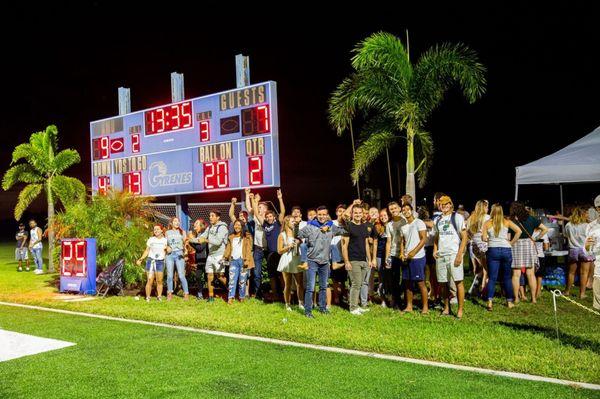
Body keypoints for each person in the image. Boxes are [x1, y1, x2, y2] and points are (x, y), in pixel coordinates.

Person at [297, 206, 346, 318]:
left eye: (324, 215)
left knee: (324, 286)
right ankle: (308, 311)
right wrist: (300, 241)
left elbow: (344, 230)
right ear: (316, 215)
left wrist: (345, 220)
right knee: (311, 287)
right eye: (320, 215)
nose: (322, 217)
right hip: (312, 261)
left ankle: (322, 308)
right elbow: (299, 235)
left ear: (327, 215)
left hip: (324, 262)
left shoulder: (331, 227)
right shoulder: (310, 227)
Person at [433, 196, 468, 319]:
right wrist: (435, 249)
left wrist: (459, 254)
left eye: (446, 204)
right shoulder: (437, 219)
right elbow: (437, 236)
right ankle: (446, 308)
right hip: (441, 255)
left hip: (453, 254)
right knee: (443, 283)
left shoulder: (457, 217)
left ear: (451, 205)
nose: (444, 206)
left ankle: (460, 310)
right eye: (442, 204)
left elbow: (464, 237)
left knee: (458, 281)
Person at [482, 204, 521, 310]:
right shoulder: (507, 222)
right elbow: (519, 231)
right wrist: (511, 242)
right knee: (507, 277)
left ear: (492, 211)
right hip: (506, 249)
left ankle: (489, 302)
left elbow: (484, 238)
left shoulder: (487, 223)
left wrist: (489, 238)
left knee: (492, 278)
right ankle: (509, 302)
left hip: (493, 250)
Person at [509, 202, 548, 304]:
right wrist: (536, 238)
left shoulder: (512, 220)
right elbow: (545, 229)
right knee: (530, 274)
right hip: (529, 244)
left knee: (516, 274)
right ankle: (533, 299)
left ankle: (517, 298)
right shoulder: (531, 218)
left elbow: (509, 237)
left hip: (516, 245)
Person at [342, 203, 376, 315]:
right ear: (352, 214)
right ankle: (353, 308)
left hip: (363, 259)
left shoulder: (364, 227)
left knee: (360, 283)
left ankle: (356, 305)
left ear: (363, 214)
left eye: (359, 213)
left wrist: (369, 259)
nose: (357, 215)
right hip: (353, 259)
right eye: (355, 213)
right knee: (356, 284)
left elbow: (366, 244)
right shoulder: (348, 226)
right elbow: (344, 246)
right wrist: (346, 261)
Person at [251, 189, 285, 300]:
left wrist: (280, 199)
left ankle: (285, 296)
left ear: (274, 217)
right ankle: (275, 297)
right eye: (267, 216)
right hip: (270, 253)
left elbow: (283, 212)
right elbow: (256, 212)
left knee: (281, 275)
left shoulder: (278, 223)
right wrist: (255, 201)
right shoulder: (264, 224)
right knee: (272, 276)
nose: (269, 218)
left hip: (279, 252)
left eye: (271, 216)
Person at [400, 203, 429, 314]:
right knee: (407, 282)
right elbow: (403, 242)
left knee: (420, 282)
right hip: (407, 258)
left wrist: (413, 252)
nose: (406, 211)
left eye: (408, 209)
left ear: (412, 211)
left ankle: (425, 308)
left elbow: (423, 239)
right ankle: (409, 306)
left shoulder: (419, 222)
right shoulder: (404, 226)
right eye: (404, 210)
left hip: (418, 257)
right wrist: (402, 253)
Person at [564, 207, 594, 298]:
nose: (588, 215)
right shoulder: (588, 226)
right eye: (587, 213)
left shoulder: (568, 225)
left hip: (573, 249)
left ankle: (567, 291)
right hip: (585, 249)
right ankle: (582, 294)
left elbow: (566, 236)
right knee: (584, 273)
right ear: (583, 214)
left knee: (571, 272)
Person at [199, 210, 229, 302]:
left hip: (219, 255)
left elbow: (218, 242)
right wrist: (191, 239)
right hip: (210, 256)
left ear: (218, 217)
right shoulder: (210, 227)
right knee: (209, 276)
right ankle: (211, 297)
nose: (210, 217)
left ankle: (231, 290)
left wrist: (206, 240)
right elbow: (202, 237)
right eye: (210, 216)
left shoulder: (222, 227)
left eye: (212, 216)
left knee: (220, 276)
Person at [222, 220, 254, 304]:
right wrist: (224, 257)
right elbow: (228, 248)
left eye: (239, 225)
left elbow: (249, 249)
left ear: (242, 226)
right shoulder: (231, 236)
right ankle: (230, 297)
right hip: (233, 261)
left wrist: (247, 260)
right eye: (235, 225)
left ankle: (241, 296)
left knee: (242, 281)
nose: (237, 227)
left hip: (243, 261)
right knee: (232, 280)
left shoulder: (247, 236)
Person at [277, 215, 305, 311]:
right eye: (292, 221)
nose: (294, 223)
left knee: (300, 283)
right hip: (286, 259)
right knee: (288, 284)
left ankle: (301, 303)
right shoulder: (282, 235)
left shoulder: (297, 233)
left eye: (294, 221)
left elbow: (302, 242)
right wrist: (288, 246)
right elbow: (279, 250)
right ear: (287, 222)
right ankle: (287, 304)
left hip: (297, 258)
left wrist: (299, 242)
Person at [384, 201, 407, 308]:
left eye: (395, 208)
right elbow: (389, 241)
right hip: (394, 254)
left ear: (399, 208)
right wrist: (387, 257)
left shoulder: (405, 221)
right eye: (391, 209)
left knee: (406, 278)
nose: (393, 210)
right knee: (395, 279)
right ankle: (396, 300)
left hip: (406, 254)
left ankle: (406, 299)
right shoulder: (389, 225)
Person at [136, 225, 168, 302]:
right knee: (150, 280)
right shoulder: (151, 239)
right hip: (151, 261)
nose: (156, 231)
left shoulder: (165, 240)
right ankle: (148, 297)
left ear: (161, 231)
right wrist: (141, 259)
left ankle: (159, 296)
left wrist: (168, 250)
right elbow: (147, 250)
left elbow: (167, 250)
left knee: (159, 281)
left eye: (157, 229)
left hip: (160, 262)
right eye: (154, 229)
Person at [466, 200, 490, 297]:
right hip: (484, 246)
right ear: (483, 207)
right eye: (487, 207)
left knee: (480, 269)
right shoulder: (487, 217)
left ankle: (473, 289)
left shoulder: (471, 218)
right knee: (487, 269)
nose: (488, 209)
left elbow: (467, 232)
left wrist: (473, 238)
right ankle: (484, 290)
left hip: (474, 246)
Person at [165, 217, 189, 301]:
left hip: (179, 254)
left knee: (181, 275)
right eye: (175, 221)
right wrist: (167, 247)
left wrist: (186, 251)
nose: (177, 223)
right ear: (171, 223)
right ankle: (169, 293)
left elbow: (186, 243)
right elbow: (164, 243)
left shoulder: (182, 232)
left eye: (178, 221)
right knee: (170, 275)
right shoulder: (167, 232)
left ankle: (186, 293)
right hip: (169, 255)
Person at [330, 204, 348, 305]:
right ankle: (336, 297)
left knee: (344, 279)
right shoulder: (332, 223)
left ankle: (343, 296)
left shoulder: (347, 224)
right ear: (336, 212)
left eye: (344, 211)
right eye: (340, 211)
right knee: (335, 278)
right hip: (334, 253)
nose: (342, 213)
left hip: (345, 254)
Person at [187, 219, 208, 299]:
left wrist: (191, 241)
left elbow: (200, 248)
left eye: (196, 223)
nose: (194, 225)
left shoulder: (204, 235)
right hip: (199, 260)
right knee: (198, 276)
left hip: (205, 259)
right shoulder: (197, 235)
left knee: (207, 277)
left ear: (201, 226)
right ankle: (200, 294)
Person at [374, 208, 391, 307]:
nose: (383, 217)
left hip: (389, 255)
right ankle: (383, 299)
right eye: (381, 216)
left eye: (385, 215)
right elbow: (375, 243)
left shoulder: (392, 225)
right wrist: (374, 258)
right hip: (380, 255)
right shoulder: (377, 227)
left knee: (390, 276)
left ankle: (391, 296)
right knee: (381, 277)